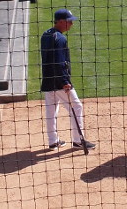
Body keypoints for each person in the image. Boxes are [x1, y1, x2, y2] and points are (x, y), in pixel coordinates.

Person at [41, 9, 97, 150]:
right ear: (60, 21)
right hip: (59, 81)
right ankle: (78, 141)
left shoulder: (46, 35)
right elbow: (60, 63)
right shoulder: (60, 39)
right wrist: (65, 81)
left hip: (48, 79)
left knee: (51, 110)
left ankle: (53, 141)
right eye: (69, 21)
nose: (71, 24)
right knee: (77, 107)